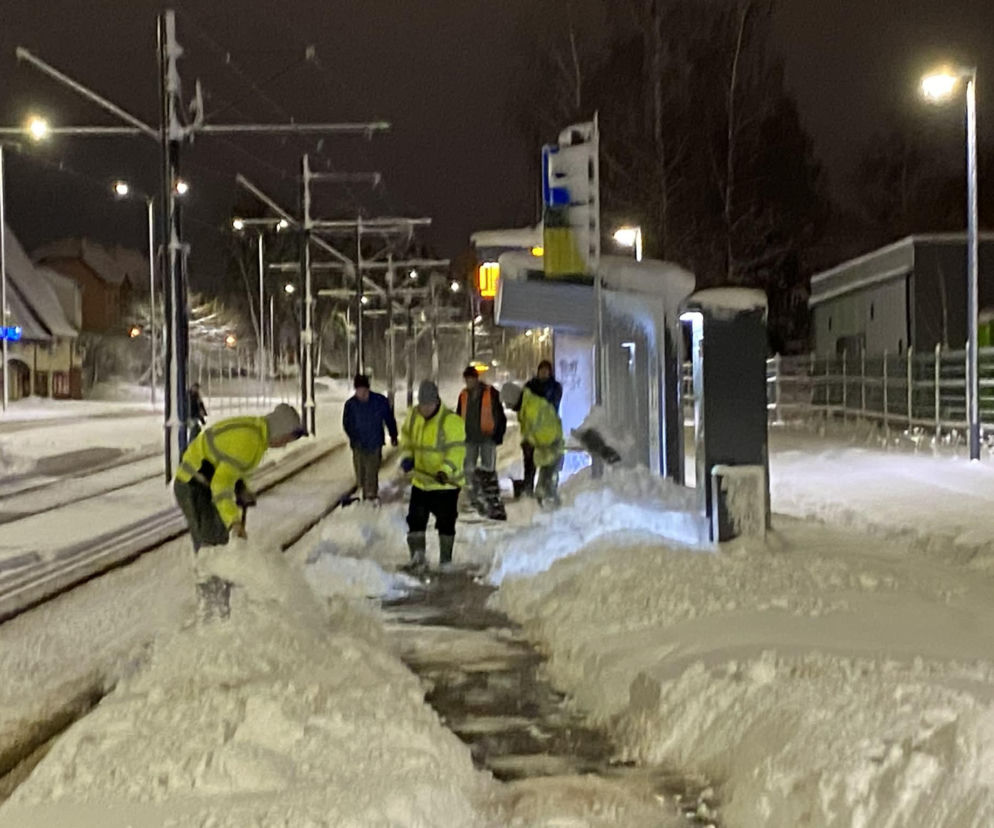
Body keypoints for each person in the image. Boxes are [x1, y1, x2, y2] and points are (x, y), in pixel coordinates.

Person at [173, 403, 305, 618]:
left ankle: (219, 604)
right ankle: (211, 609)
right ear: (279, 430)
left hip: (204, 483)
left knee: (221, 541)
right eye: (288, 438)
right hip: (192, 485)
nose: (286, 444)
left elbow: (233, 468)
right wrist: (234, 521)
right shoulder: (250, 440)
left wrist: (241, 487)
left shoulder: (257, 436)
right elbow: (221, 485)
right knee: (211, 546)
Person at [399, 380, 466, 572]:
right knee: (415, 520)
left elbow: (456, 452)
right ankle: (417, 558)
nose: (424, 409)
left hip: (445, 485)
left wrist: (445, 470)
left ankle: (446, 560)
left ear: (436, 402)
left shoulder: (451, 422)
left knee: (445, 522)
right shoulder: (413, 416)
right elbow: (407, 440)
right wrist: (407, 457)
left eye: (428, 405)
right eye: (422, 405)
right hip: (421, 481)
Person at [455, 366, 507, 519]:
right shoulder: (463, 395)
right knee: (468, 468)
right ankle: (473, 498)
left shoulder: (490, 393)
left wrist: (498, 434)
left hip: (487, 437)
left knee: (488, 469)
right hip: (469, 438)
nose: (468, 382)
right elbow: (459, 416)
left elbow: (500, 415)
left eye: (471, 378)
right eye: (466, 379)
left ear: (476, 378)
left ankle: (489, 498)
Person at [501, 382, 564, 508]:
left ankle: (556, 514)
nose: (509, 408)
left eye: (509, 404)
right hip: (546, 449)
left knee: (546, 488)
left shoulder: (531, 408)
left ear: (514, 399)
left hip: (551, 447)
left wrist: (531, 443)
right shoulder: (526, 406)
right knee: (544, 487)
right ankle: (550, 512)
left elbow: (540, 431)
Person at [342, 374, 398, 502]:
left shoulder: (380, 401)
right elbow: (347, 423)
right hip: (358, 445)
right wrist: (354, 437)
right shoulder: (350, 405)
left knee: (371, 472)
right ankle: (365, 492)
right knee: (361, 475)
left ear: (368, 389)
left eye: (363, 390)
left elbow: (389, 419)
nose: (361, 393)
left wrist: (393, 434)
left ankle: (371, 497)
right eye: (358, 390)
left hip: (374, 443)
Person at [520, 360, 562, 496]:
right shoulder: (530, 386)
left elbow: (551, 405)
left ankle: (545, 490)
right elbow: (523, 408)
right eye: (541, 370)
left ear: (550, 372)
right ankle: (528, 490)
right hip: (531, 432)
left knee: (547, 461)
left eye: (546, 371)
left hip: (548, 431)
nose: (543, 373)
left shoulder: (555, 387)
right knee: (529, 463)